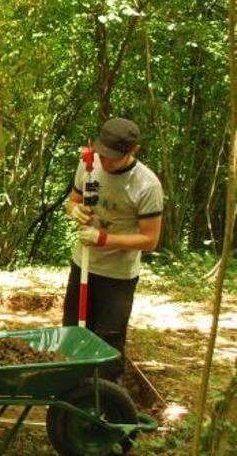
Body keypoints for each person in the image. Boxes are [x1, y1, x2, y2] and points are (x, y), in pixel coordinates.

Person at [63, 117, 163, 381]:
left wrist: (104, 239)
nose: (105, 162)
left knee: (108, 342)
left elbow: (149, 240)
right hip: (83, 264)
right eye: (102, 154)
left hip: (118, 276)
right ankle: (71, 396)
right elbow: (71, 201)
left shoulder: (146, 185)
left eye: (113, 158)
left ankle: (107, 404)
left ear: (133, 152)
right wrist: (76, 211)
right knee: (73, 332)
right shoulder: (88, 165)